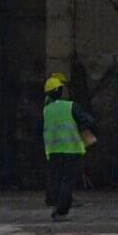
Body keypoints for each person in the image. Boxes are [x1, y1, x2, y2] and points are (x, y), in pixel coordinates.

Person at [42, 73, 96, 220]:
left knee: (57, 180)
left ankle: (57, 206)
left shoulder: (46, 110)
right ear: (60, 91)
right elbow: (88, 120)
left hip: (53, 151)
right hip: (71, 150)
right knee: (68, 181)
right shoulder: (70, 106)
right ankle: (61, 212)